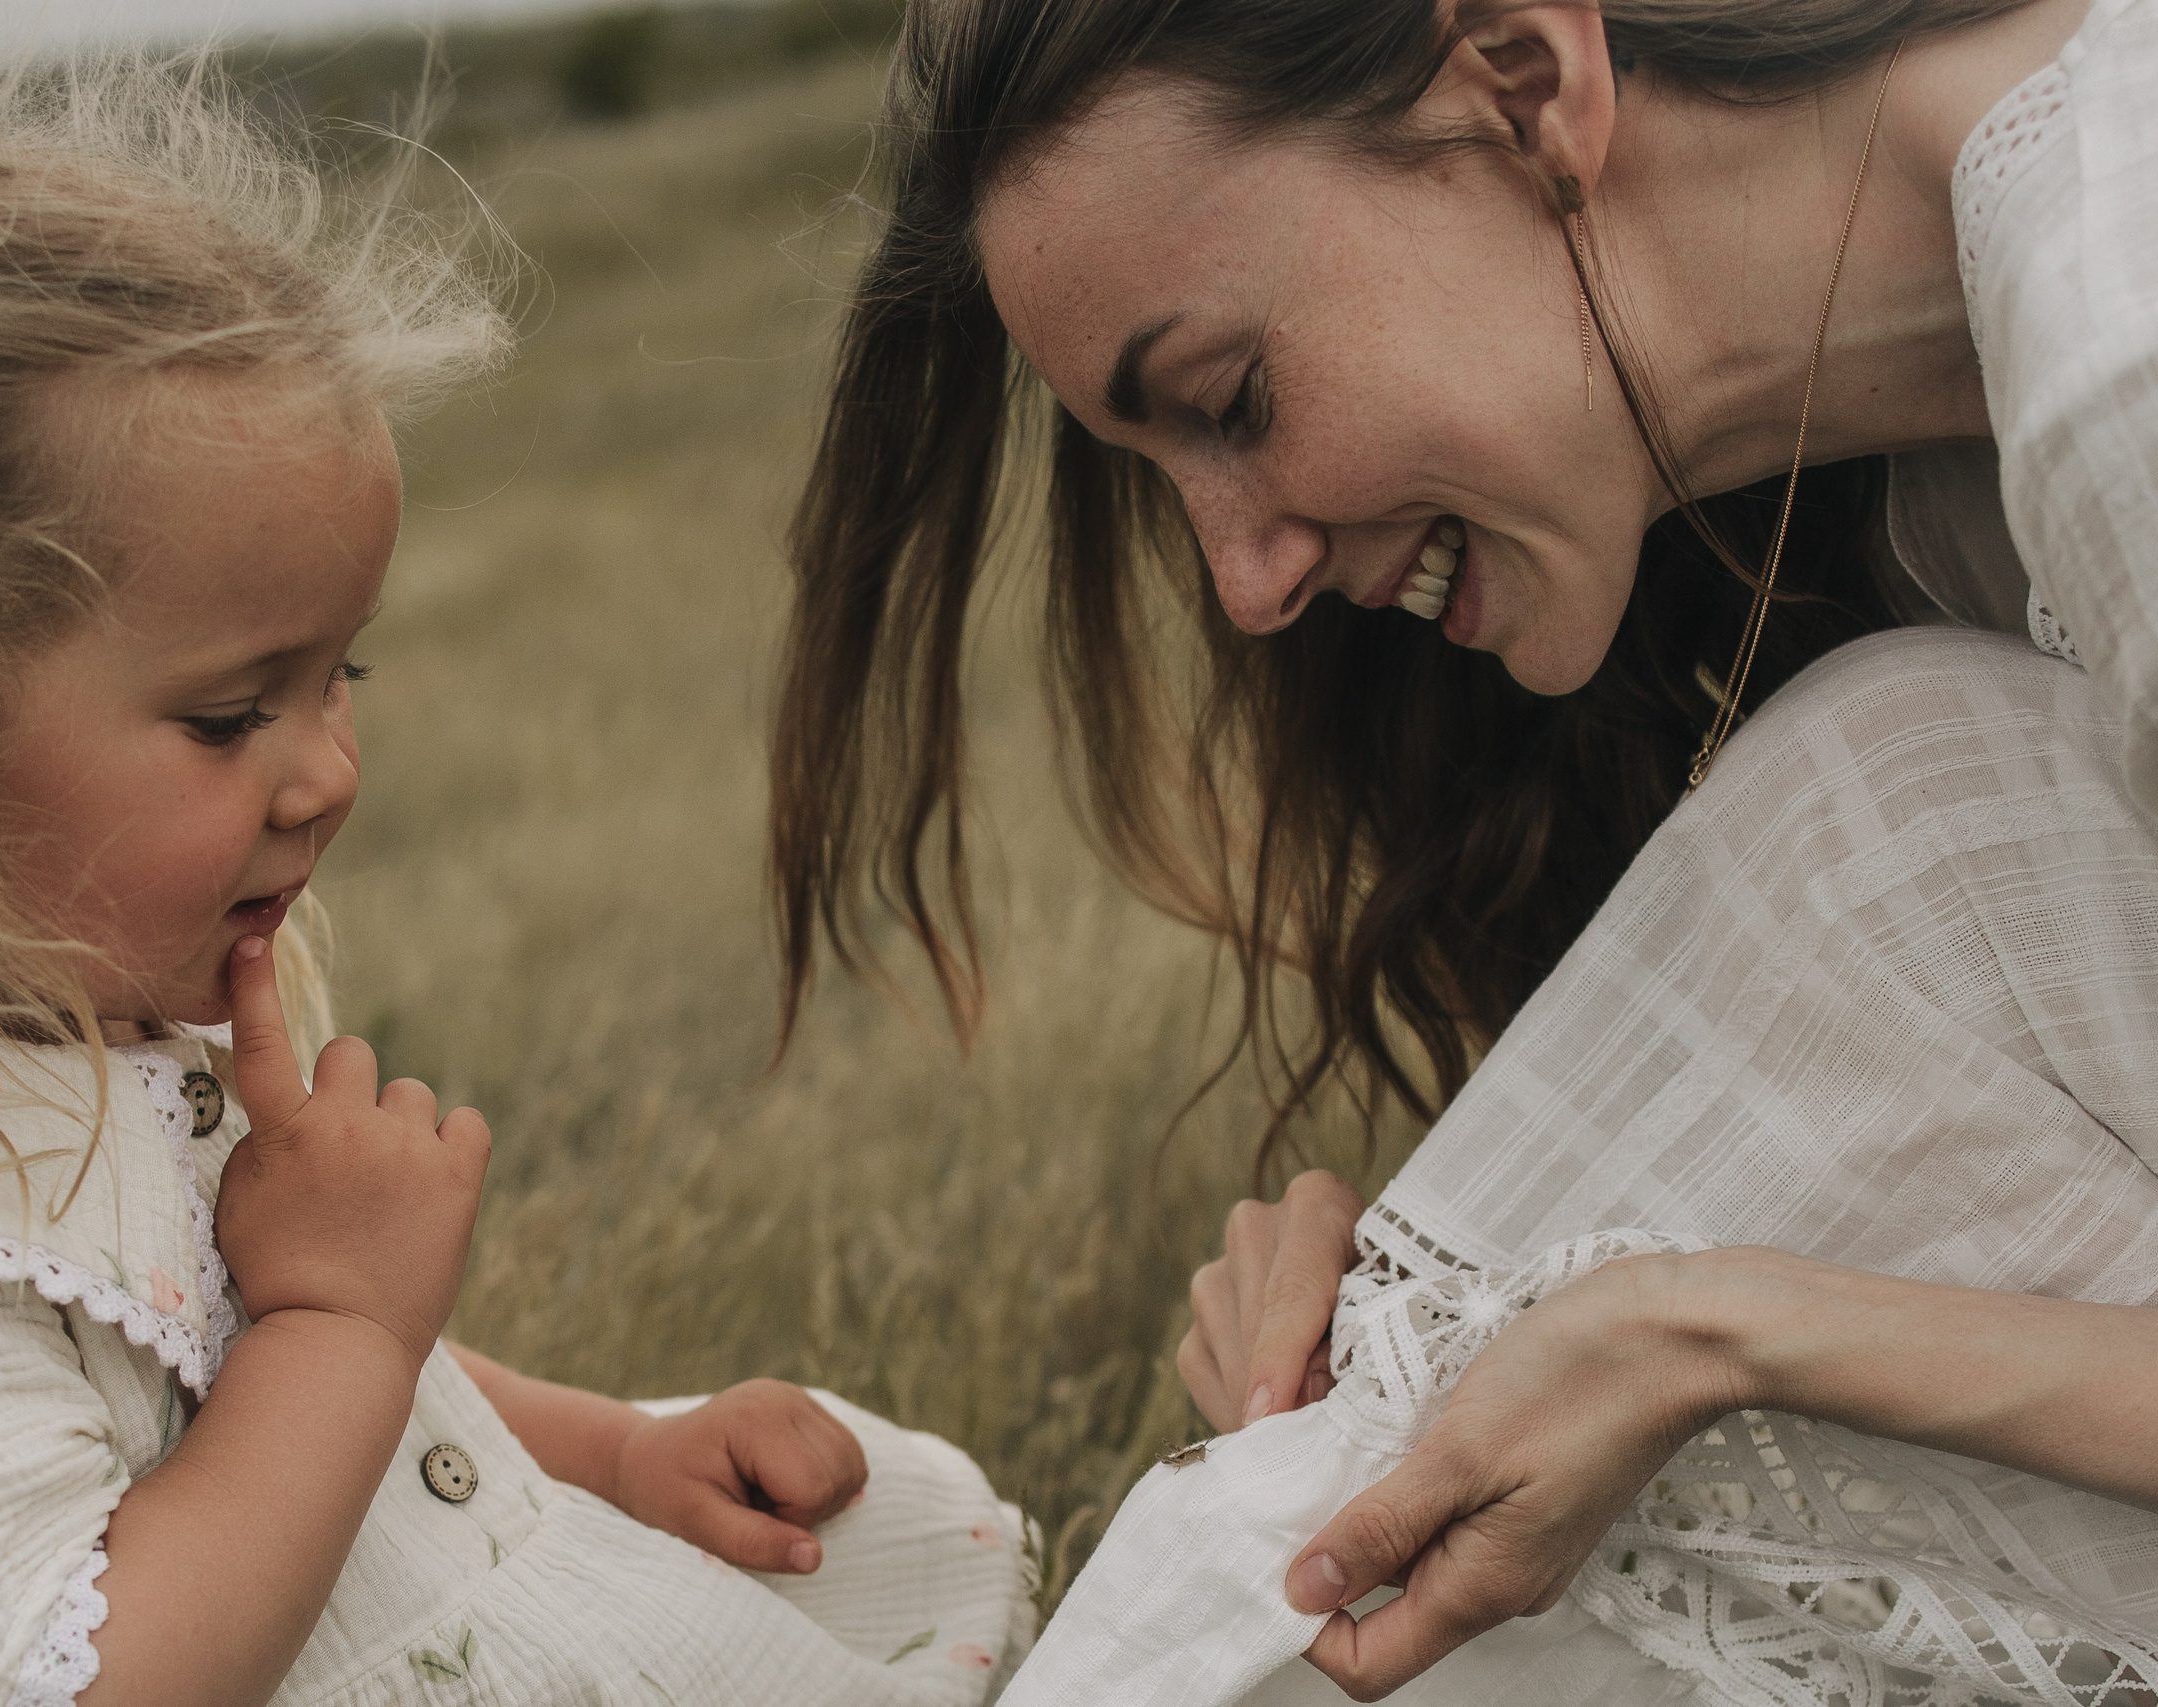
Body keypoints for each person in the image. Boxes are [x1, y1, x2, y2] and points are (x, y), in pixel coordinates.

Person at [0, 40, 1035, 1707]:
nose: (330, 769)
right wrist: (339, 1331)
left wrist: (610, 1457)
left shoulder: (62, 1024)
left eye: (342, 675)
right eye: (230, 715)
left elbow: (221, 1367)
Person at [768, 0, 2157, 1696]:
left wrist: (1703, 1329)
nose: (1245, 581)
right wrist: (1472, 1294)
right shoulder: (1938, 456)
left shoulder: (2121, 349)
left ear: (1521, 83)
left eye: (1231, 397)